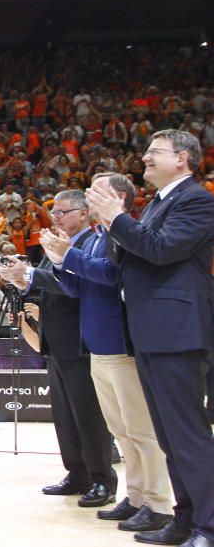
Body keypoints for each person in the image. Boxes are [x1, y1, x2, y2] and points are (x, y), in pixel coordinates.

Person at [87, 130, 214, 547]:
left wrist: (117, 220)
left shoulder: (197, 199)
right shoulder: (160, 203)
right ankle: (186, 517)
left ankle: (208, 526)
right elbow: (130, 256)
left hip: (176, 331)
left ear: (182, 158)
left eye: (153, 152)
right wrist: (114, 225)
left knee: (188, 434)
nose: (143, 157)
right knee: (169, 436)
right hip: (151, 331)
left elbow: (161, 250)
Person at [41, 173, 173, 532]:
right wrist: (59, 260)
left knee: (140, 431)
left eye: (95, 191)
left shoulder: (124, 234)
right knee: (121, 430)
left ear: (117, 197)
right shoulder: (98, 237)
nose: (89, 196)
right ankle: (136, 497)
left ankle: (159, 503)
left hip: (121, 345)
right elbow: (76, 286)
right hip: (97, 346)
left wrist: (70, 256)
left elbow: (112, 275)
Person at [0, 190, 115, 508]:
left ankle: (103, 479)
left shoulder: (92, 244)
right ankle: (77, 473)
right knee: (65, 417)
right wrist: (23, 282)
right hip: (56, 340)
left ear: (83, 213)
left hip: (80, 340)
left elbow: (72, 287)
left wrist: (32, 275)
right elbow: (49, 284)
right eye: (54, 212)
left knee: (89, 417)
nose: (57, 217)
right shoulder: (56, 245)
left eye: (63, 211)